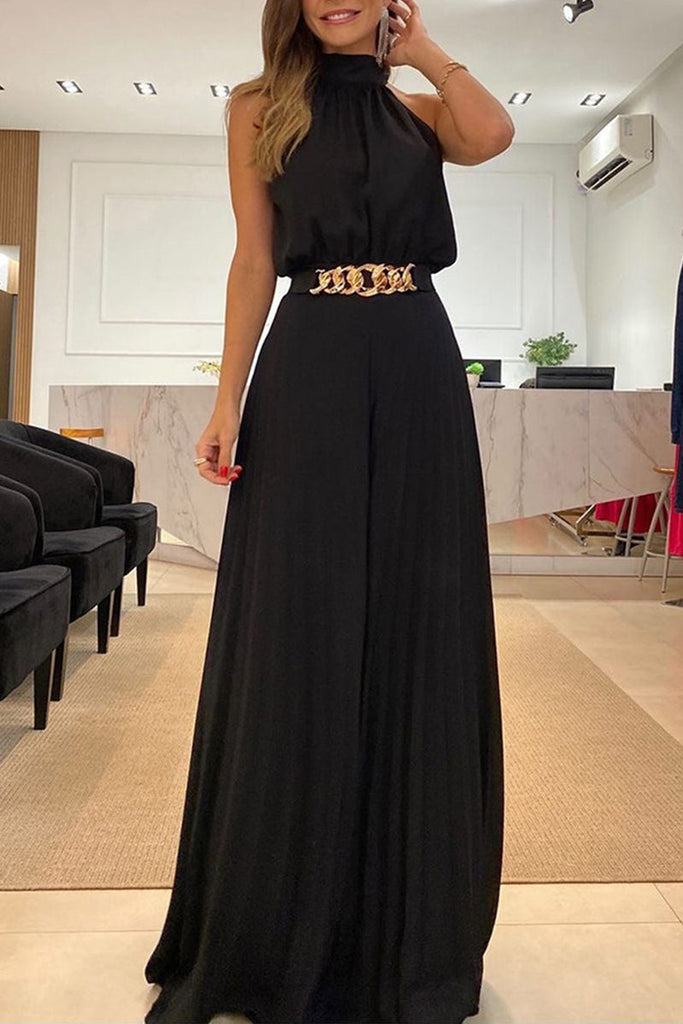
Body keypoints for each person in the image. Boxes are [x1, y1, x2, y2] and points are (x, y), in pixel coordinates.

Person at [144, 1, 511, 1021]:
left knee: (415, 612)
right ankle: (273, 921)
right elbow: (253, 259)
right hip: (307, 362)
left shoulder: (419, 111)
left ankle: (404, 928)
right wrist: (227, 397)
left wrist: (422, 50)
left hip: (417, 362)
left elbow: (492, 134)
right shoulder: (256, 107)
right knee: (295, 619)